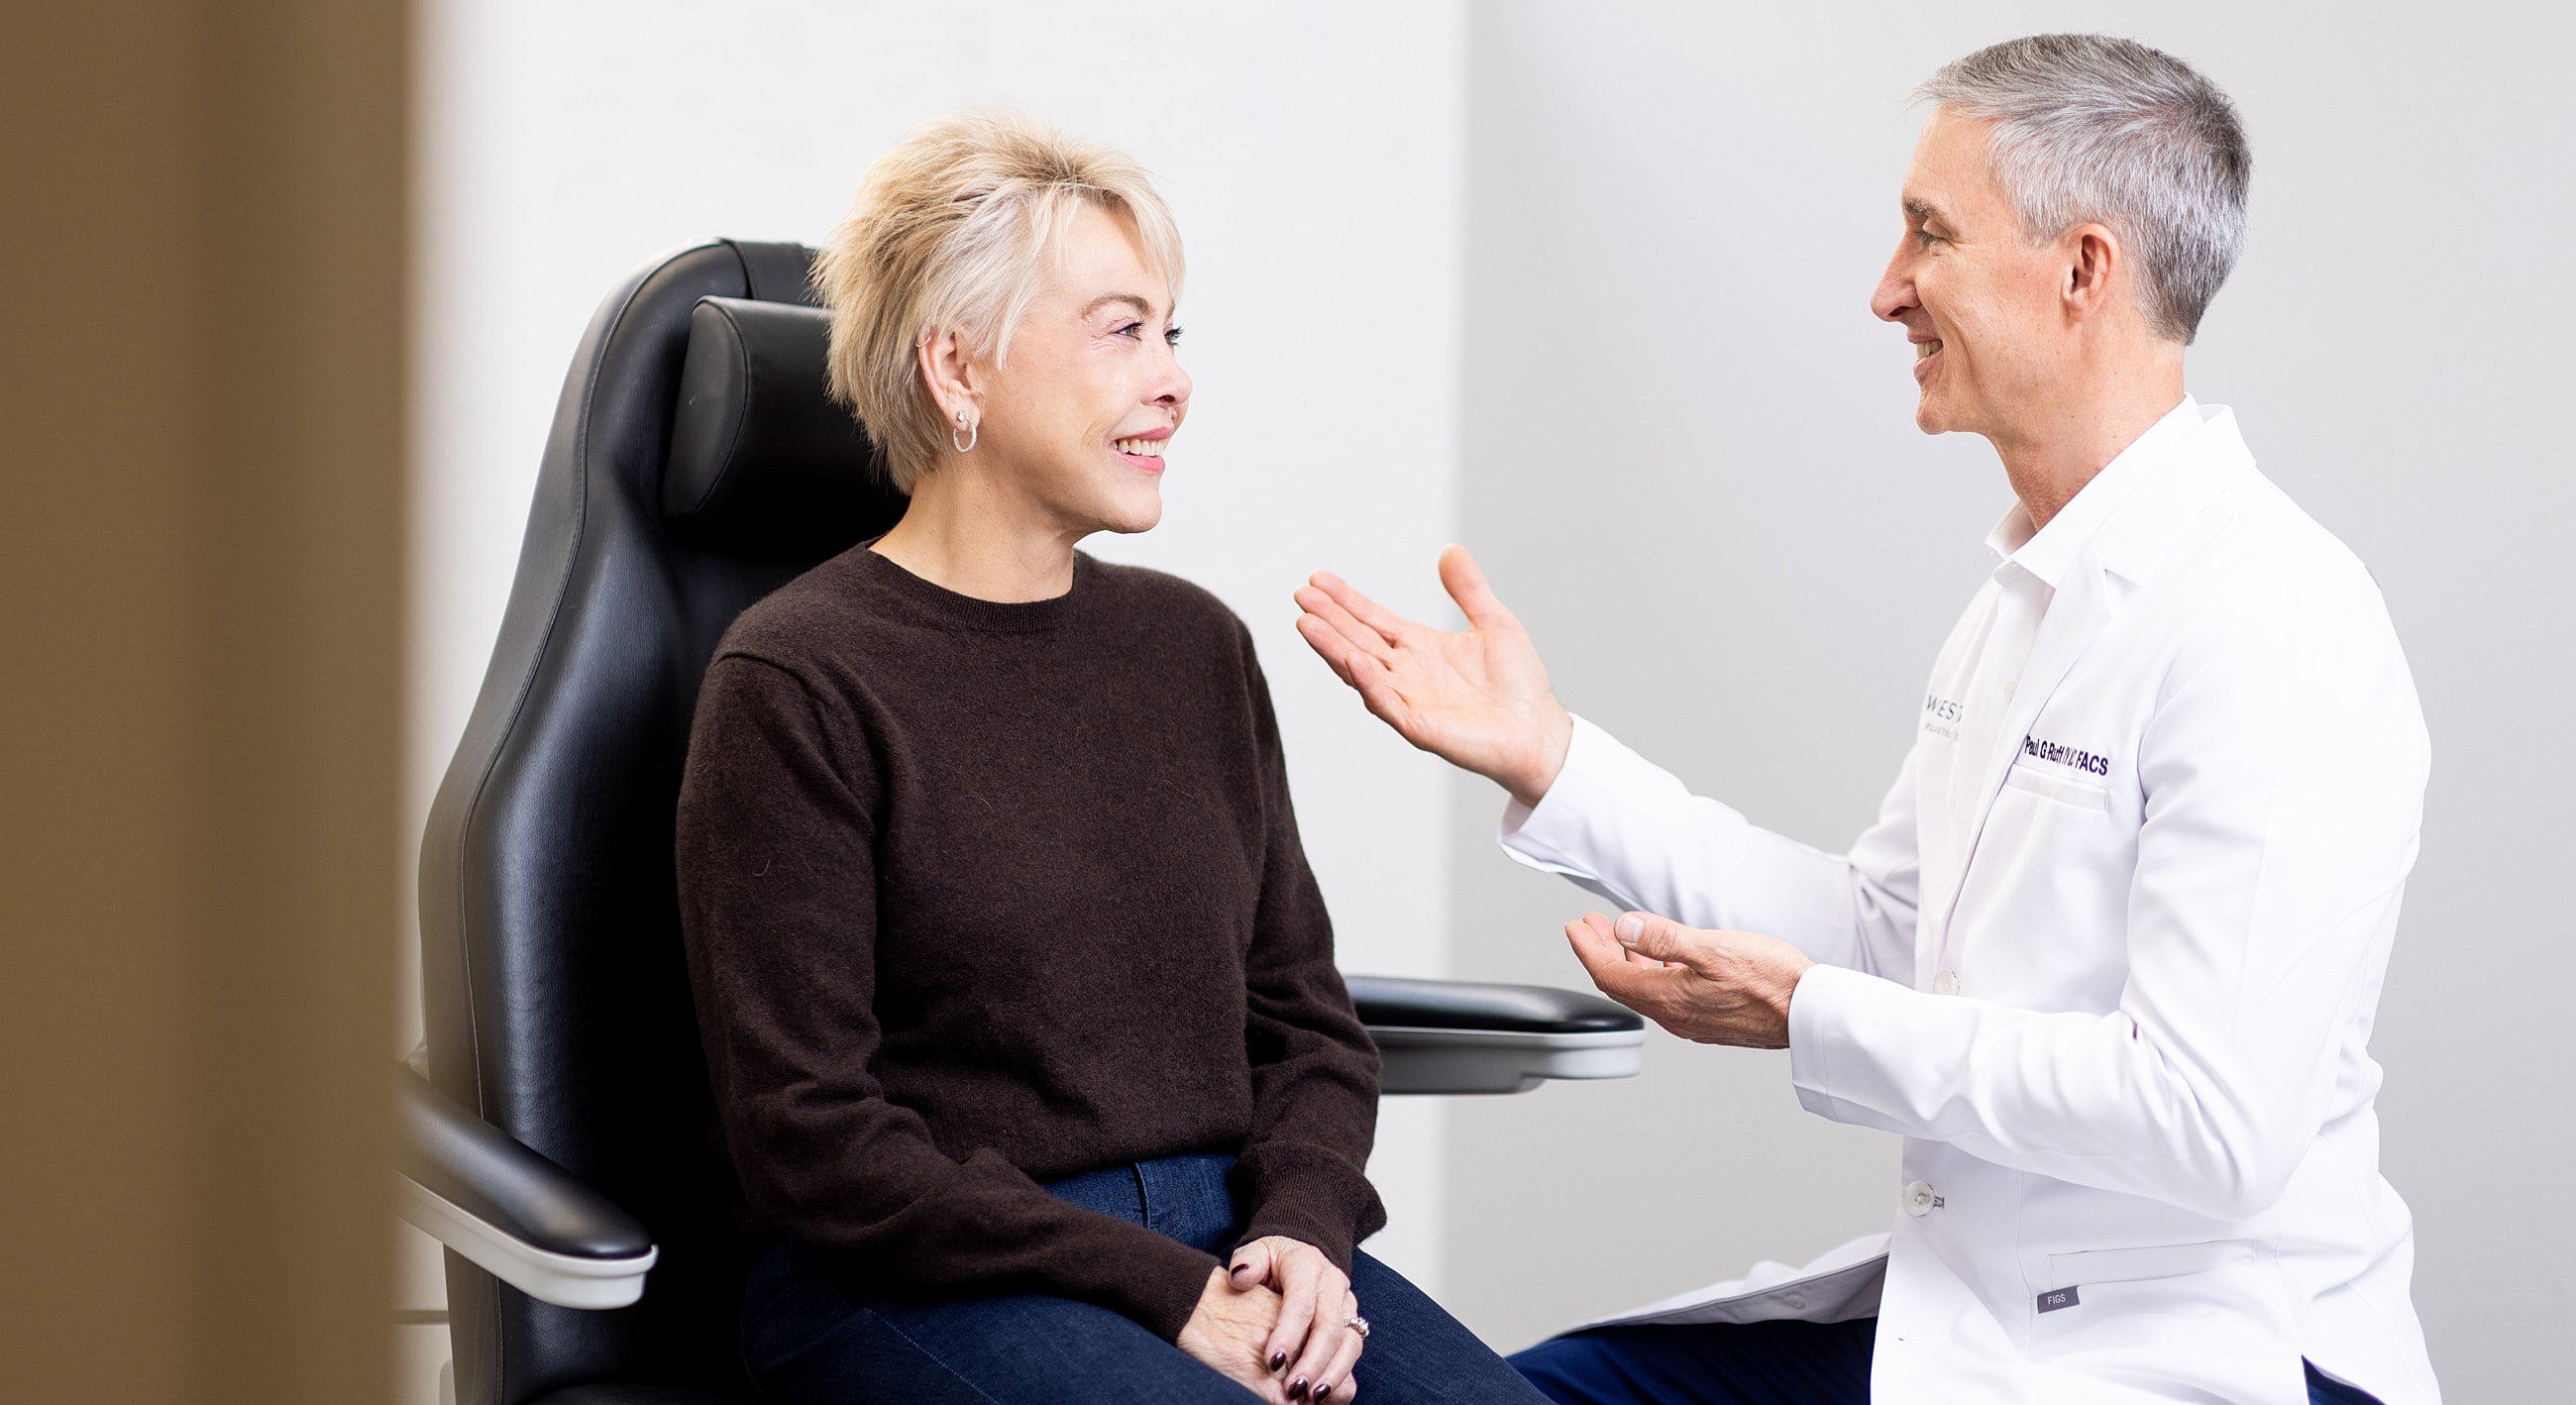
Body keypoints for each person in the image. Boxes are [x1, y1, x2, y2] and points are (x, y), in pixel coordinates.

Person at [1296, 35, 2435, 1405]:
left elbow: (2210, 1123)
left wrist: (1814, 1015)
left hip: (2217, 1356)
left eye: (1928, 234)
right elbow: (1886, 938)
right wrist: (1555, 759)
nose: (1886, 288)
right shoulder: (2025, 601)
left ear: (2083, 270)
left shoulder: (2271, 616)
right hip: (1992, 1316)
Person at [674, 114, 1549, 1405]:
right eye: (1121, 327)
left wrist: (1305, 1227)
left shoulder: (1191, 648)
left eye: (1172, 330)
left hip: (1228, 1233)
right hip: (919, 1268)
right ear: (958, 365)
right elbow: (813, 1139)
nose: (1176, 379)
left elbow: (1305, 1017)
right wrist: (1160, 1288)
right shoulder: (796, 679)